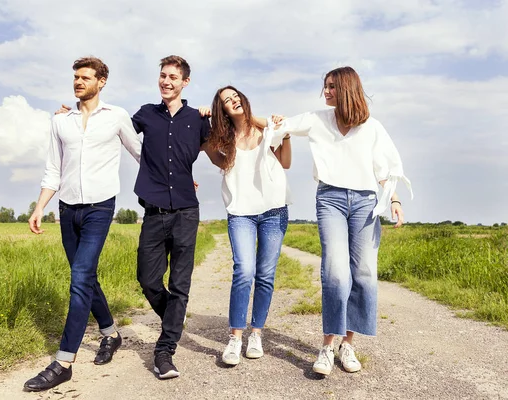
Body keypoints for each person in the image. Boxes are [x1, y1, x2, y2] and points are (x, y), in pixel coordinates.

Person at [276, 66, 412, 376]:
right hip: (330, 199)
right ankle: (327, 345)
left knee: (363, 273)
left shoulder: (372, 128)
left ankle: (347, 344)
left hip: (365, 202)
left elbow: (386, 169)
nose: (326, 91)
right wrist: (248, 116)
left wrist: (394, 200)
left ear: (347, 88)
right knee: (336, 273)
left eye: (332, 86)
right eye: (324, 86)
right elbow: (280, 125)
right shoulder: (316, 119)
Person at [24, 56, 141, 392]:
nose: (78, 82)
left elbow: (141, 153)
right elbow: (53, 169)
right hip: (67, 209)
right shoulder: (61, 121)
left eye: (85, 77)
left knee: (80, 278)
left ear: (101, 81)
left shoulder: (116, 117)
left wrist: (177, 176)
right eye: (75, 77)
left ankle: (63, 362)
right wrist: (39, 207)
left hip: (100, 208)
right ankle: (110, 334)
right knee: (85, 276)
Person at [132, 55, 211, 379]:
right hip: (153, 212)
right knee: (148, 280)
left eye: (173, 77)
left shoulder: (198, 119)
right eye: (163, 75)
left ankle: (165, 352)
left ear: (185, 82)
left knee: (179, 285)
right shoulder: (145, 114)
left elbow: (227, 141)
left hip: (185, 212)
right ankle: (174, 320)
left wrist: (213, 112)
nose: (166, 81)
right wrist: (73, 116)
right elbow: (113, 132)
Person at [202, 86, 291, 366]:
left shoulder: (266, 131)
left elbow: (285, 162)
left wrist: (279, 129)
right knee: (244, 270)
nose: (233, 101)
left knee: (265, 274)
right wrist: (203, 121)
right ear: (222, 110)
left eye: (235, 96)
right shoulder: (223, 139)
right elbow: (213, 154)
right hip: (240, 211)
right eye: (226, 101)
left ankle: (256, 333)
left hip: (274, 209)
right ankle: (235, 337)